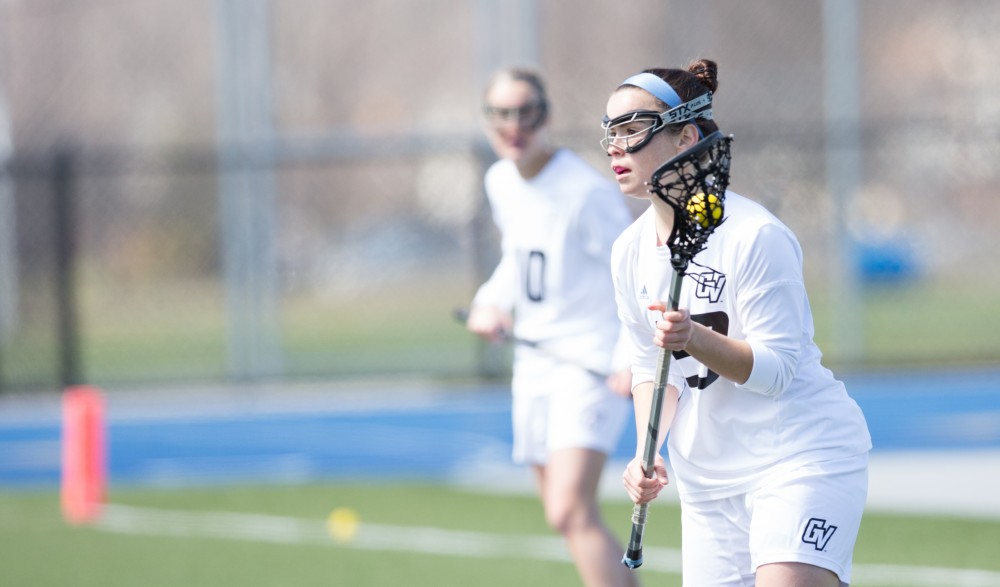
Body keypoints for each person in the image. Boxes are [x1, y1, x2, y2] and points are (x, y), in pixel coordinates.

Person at [605, 60, 872, 586]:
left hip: (797, 458)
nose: (616, 144)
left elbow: (775, 372)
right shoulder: (628, 252)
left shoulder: (755, 236)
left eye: (633, 128)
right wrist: (647, 450)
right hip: (707, 482)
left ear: (685, 136)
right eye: (610, 130)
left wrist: (693, 337)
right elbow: (650, 367)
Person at [465, 68, 638, 587]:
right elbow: (517, 263)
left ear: (546, 116)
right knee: (563, 515)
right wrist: (490, 303)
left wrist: (630, 354)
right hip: (535, 364)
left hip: (589, 364)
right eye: (500, 114)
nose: (513, 126)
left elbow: (634, 275)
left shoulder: (585, 192)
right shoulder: (501, 180)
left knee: (568, 509)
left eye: (525, 113)